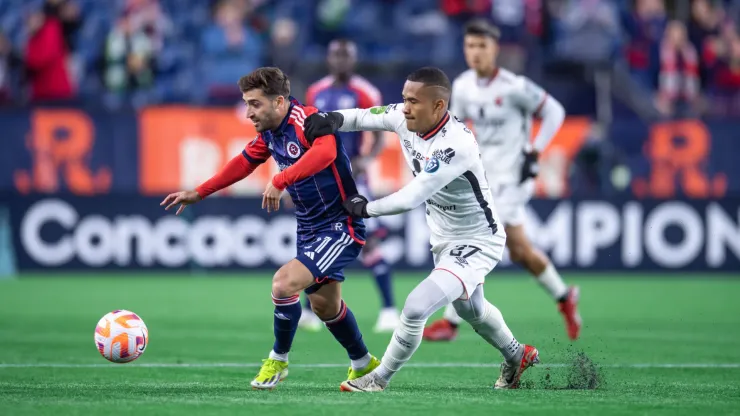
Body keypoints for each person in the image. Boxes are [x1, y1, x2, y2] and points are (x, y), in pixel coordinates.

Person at [302, 67, 539, 392]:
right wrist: (332, 119)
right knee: (472, 310)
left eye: (413, 101)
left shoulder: (456, 144)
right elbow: (362, 117)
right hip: (443, 238)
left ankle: (378, 378)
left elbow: (413, 196)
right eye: (403, 99)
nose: (405, 107)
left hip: (477, 240)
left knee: (415, 306)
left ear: (439, 107)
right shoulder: (403, 116)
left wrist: (365, 208)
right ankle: (517, 356)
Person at [161, 67, 378, 390]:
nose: (248, 112)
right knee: (324, 305)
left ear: (279, 102)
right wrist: (200, 191)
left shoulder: (308, 119)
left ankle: (278, 359)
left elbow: (327, 151)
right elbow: (244, 161)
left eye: (254, 104)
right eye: (247, 104)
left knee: (283, 284)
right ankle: (363, 364)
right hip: (309, 227)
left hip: (340, 224)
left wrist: (281, 179)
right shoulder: (271, 133)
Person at [424, 20, 582, 343]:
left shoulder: (514, 86)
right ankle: (565, 297)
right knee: (521, 251)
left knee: (479, 239)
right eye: (470, 46)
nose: (475, 53)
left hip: (512, 179)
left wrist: (535, 151)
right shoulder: (464, 86)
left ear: (495, 49)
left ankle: (450, 322)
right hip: (483, 178)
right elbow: (456, 127)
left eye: (482, 46)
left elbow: (554, 111)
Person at [301, 39, 399, 333]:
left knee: (369, 241)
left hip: (353, 176)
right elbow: (307, 135)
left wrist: (366, 159)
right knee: (318, 238)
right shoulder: (316, 91)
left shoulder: (365, 92)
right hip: (322, 176)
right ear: (328, 59)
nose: (340, 60)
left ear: (354, 60)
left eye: (346, 56)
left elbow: (382, 131)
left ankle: (389, 310)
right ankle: (309, 312)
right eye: (336, 55)